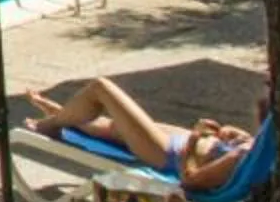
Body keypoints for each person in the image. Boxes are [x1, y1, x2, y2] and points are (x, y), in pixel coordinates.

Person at [26, 78, 260, 192]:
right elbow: (229, 132)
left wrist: (194, 140)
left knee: (101, 88)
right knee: (113, 127)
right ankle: (58, 114)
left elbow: (189, 180)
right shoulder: (258, 146)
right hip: (178, 141)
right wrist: (227, 134)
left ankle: (52, 122)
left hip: (167, 153)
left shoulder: (240, 156)